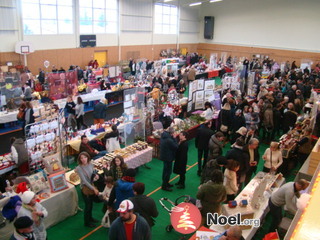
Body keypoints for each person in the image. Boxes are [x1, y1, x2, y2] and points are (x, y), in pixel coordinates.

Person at [75, 152, 99, 227]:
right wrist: (94, 189)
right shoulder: (79, 168)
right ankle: (87, 222)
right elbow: (84, 181)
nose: (83, 159)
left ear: (88, 157)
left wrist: (95, 177)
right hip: (85, 189)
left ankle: (90, 218)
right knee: (88, 206)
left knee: (91, 204)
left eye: (85, 157)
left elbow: (91, 176)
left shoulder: (91, 164)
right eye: (81, 158)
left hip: (91, 186)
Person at [160, 127, 179, 191]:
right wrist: (174, 138)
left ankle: (166, 183)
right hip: (168, 157)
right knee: (168, 171)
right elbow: (176, 147)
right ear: (171, 133)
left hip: (164, 156)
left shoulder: (163, 136)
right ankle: (164, 186)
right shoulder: (169, 140)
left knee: (165, 170)